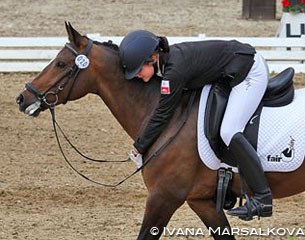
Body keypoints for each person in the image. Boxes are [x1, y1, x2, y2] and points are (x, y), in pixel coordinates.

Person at [119, 30, 272, 219]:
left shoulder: (173, 72)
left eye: (138, 70)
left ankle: (263, 197)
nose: (137, 76)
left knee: (229, 131)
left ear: (152, 57)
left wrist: (140, 146)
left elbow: (162, 114)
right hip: (229, 71)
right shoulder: (166, 63)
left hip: (249, 72)